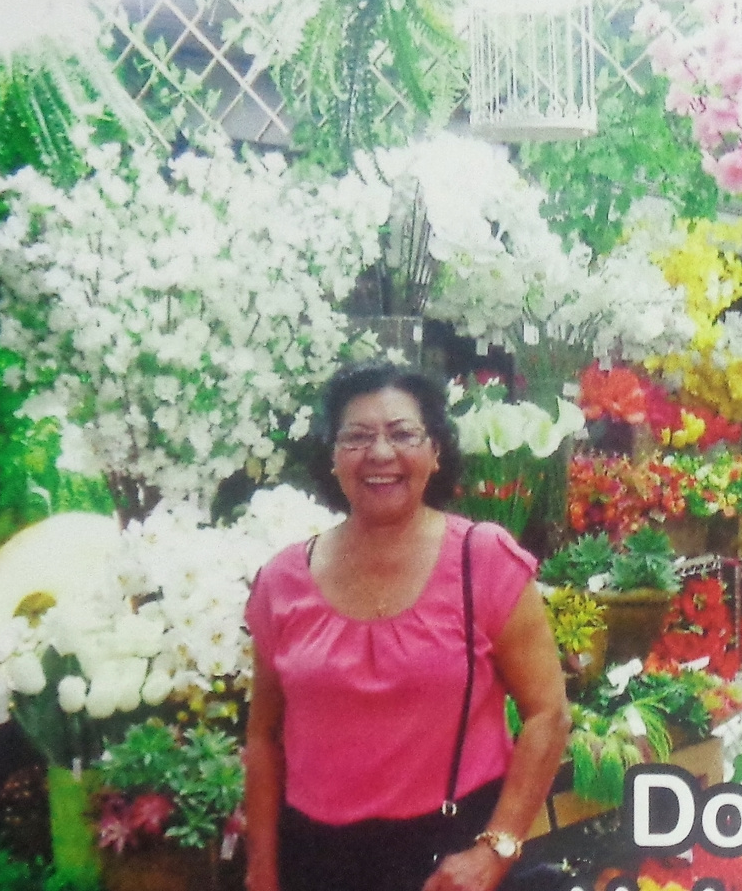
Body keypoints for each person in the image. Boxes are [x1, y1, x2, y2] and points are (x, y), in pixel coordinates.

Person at [243, 360, 571, 891]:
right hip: (318, 863)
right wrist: (261, 870)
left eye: (402, 434)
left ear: (436, 451)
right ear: (331, 457)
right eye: (356, 437)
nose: (379, 453)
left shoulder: (481, 561)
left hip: (450, 861)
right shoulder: (282, 580)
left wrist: (497, 850)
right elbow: (263, 738)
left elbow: (548, 716)